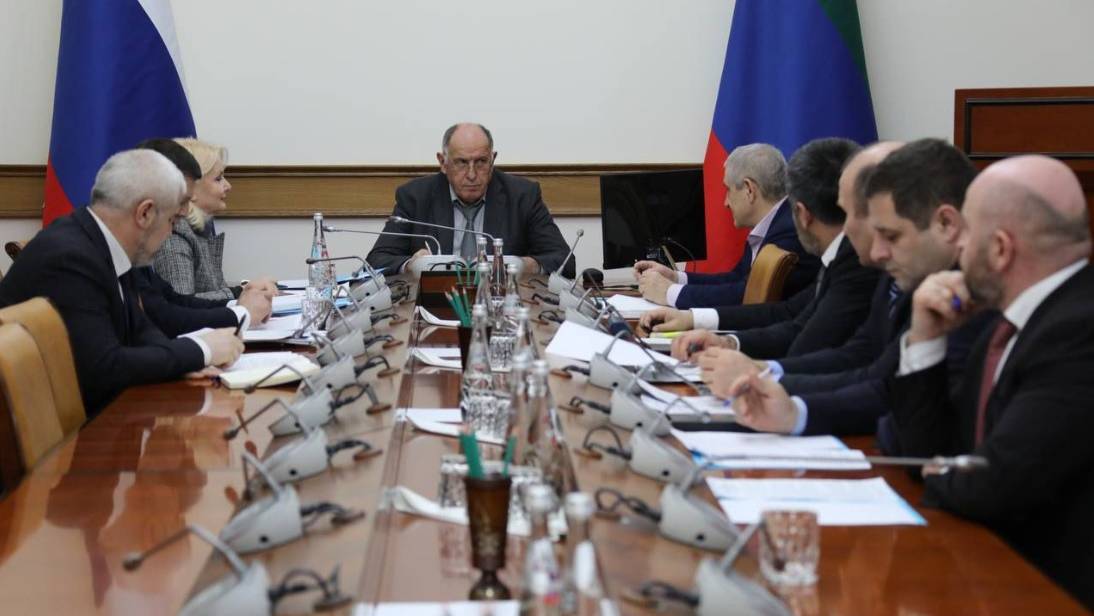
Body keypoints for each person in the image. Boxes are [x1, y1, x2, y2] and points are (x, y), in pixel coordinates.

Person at [736, 155, 1094, 608]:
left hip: (1041, 592)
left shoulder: (1076, 330)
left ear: (1000, 249)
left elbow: (991, 484)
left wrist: (934, 466)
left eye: (968, 234)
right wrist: (925, 340)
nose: (957, 248)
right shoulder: (1013, 320)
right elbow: (921, 444)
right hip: (982, 566)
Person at [695, 139, 991, 439]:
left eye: (888, 232)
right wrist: (769, 383)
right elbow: (864, 357)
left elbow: (899, 408)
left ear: (946, 223)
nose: (876, 250)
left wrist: (770, 384)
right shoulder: (911, 273)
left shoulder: (967, 296)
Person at [0, 150, 244, 414]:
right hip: (57, 427)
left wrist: (184, 362)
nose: (171, 232)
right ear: (145, 213)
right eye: (172, 220)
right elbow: (104, 367)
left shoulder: (104, 242)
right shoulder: (70, 257)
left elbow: (140, 329)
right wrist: (202, 350)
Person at [638, 138, 878, 359]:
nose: (725, 202)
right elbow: (787, 312)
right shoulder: (831, 253)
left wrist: (673, 294)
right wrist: (681, 290)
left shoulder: (796, 236)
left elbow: (751, 297)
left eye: (728, 190)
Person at [366, 123, 573, 276]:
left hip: (502, 304)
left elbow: (565, 261)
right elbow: (376, 261)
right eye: (462, 163)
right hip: (434, 303)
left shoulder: (522, 195)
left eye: (481, 162)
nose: (472, 175)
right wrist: (411, 265)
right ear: (443, 162)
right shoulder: (415, 197)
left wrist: (523, 265)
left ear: (492, 160)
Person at [633, 143, 820, 309]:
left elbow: (747, 295)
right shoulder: (773, 224)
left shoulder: (791, 231)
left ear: (749, 190)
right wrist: (675, 277)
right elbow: (736, 279)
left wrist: (669, 292)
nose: (725, 203)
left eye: (728, 190)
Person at [135, 138, 273, 336]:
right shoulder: (174, 236)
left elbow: (177, 301)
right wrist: (241, 308)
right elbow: (171, 315)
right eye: (218, 178)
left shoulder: (190, 232)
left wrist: (242, 301)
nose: (228, 186)